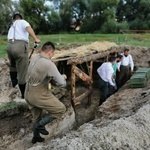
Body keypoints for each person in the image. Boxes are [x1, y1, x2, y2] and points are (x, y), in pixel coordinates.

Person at [25, 41, 67, 144]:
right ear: (50, 52)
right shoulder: (49, 64)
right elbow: (62, 84)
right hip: (38, 94)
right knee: (60, 109)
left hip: (27, 93)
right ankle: (40, 125)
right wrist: (63, 77)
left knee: (36, 116)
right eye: (53, 54)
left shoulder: (35, 57)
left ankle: (35, 137)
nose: (52, 56)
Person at [7, 13, 40, 99]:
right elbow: (28, 28)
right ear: (20, 18)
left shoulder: (12, 26)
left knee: (13, 65)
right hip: (20, 46)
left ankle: (14, 84)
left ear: (13, 19)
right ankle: (23, 95)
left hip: (9, 46)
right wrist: (35, 38)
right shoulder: (22, 21)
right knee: (22, 71)